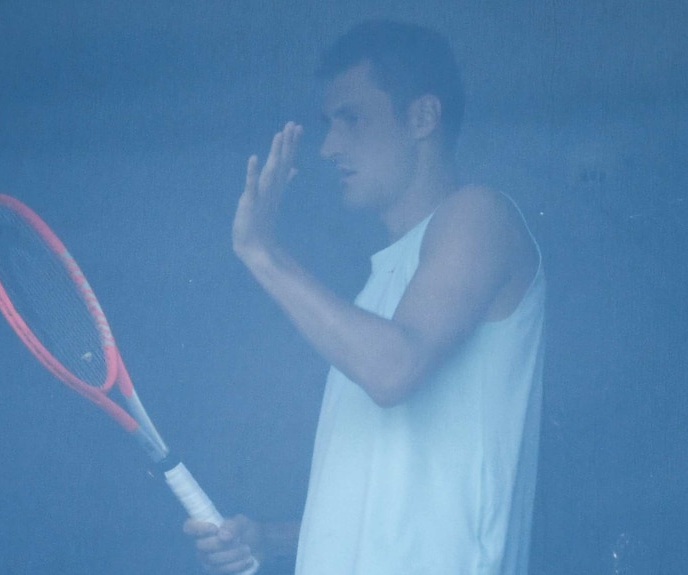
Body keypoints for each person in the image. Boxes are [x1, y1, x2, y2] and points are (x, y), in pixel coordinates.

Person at [185, 20, 545, 575]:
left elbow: (393, 370)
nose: (328, 147)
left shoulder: (480, 214)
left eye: (351, 120)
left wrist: (262, 252)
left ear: (423, 117)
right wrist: (270, 540)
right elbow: (385, 505)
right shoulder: (377, 291)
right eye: (328, 125)